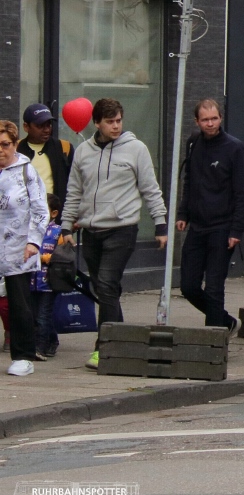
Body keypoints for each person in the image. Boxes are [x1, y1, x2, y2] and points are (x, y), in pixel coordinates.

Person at [62, 98, 167, 371]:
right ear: (97, 123)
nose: (116, 126)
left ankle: (104, 348)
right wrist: (66, 225)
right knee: (104, 290)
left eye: (119, 120)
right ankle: (123, 343)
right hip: (91, 231)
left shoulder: (136, 149)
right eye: (110, 122)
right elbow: (74, 191)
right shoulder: (83, 152)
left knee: (107, 285)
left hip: (122, 229)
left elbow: (150, 188)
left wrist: (160, 224)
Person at [177, 99, 244, 331]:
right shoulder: (193, 143)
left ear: (221, 118)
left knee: (215, 287)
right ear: (197, 121)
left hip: (222, 227)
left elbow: (242, 192)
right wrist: (183, 213)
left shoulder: (234, 148)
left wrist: (236, 230)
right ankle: (226, 322)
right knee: (188, 286)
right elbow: (189, 181)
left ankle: (213, 341)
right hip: (197, 226)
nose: (210, 124)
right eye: (205, 120)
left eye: (214, 118)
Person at [0, 119, 50, 377]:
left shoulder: (26, 171)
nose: (0, 150)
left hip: (18, 248)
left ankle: (23, 355)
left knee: (19, 304)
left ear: (14, 144)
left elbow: (41, 211)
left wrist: (33, 241)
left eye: (5, 144)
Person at [18, 103, 74, 204]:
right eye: (40, 126)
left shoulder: (64, 148)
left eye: (48, 125)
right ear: (26, 127)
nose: (47, 130)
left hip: (56, 214)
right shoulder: (16, 149)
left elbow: (75, 184)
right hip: (24, 213)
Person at [32, 194, 65, 360]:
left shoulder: (58, 233)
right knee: (36, 314)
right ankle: (52, 340)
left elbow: (63, 258)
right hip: (31, 281)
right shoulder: (30, 229)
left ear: (53, 213)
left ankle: (40, 347)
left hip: (49, 282)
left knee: (43, 315)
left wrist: (43, 258)